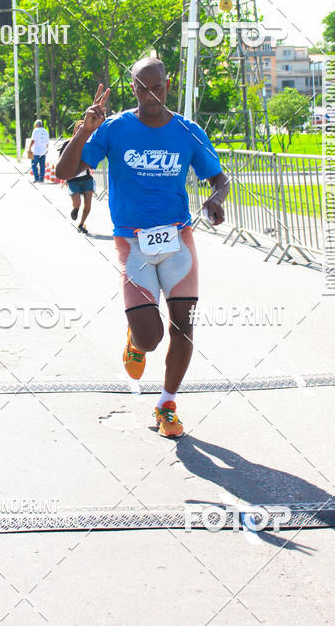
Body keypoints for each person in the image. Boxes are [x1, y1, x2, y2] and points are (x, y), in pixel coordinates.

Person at [56, 58, 229, 438]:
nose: (152, 95)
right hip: (132, 241)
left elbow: (219, 177)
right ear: (133, 89)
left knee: (183, 326)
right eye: (143, 88)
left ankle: (167, 404)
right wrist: (84, 132)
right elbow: (64, 172)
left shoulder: (187, 130)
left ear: (168, 85)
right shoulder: (115, 129)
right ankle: (136, 342)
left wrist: (216, 198)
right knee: (151, 338)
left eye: (159, 88)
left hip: (178, 239)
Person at [59, 120, 94, 234]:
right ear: (75, 130)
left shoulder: (88, 143)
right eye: (78, 128)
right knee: (77, 202)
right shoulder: (68, 143)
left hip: (86, 178)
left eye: (83, 128)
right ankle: (76, 209)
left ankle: (81, 224)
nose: (80, 129)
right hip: (73, 179)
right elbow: (61, 160)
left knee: (88, 204)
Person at [29, 118, 49, 183]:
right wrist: (46, 149)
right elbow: (47, 143)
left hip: (36, 151)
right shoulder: (46, 131)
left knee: (34, 164)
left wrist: (29, 148)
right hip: (43, 151)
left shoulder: (35, 130)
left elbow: (33, 140)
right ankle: (42, 179)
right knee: (42, 165)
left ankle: (36, 178)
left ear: (36, 125)